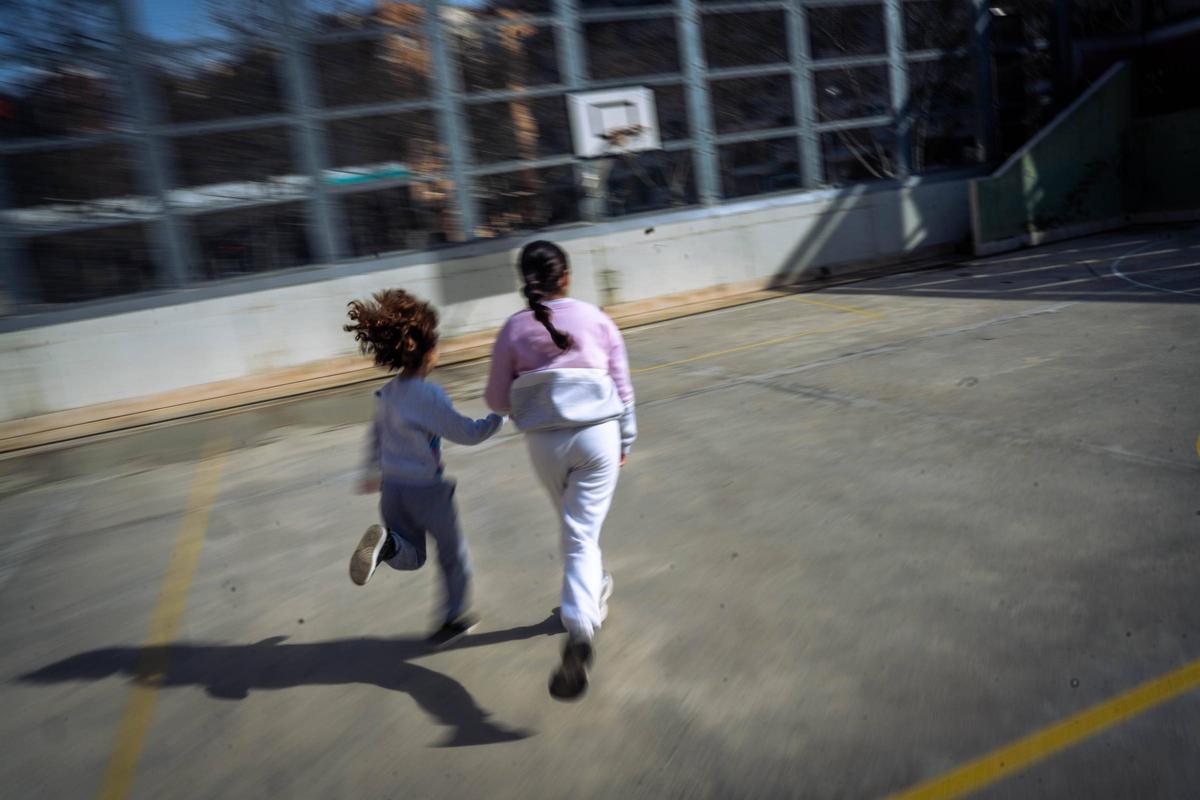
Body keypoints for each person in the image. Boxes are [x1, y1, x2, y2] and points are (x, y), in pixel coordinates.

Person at [485, 240, 636, 699]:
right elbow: (623, 387)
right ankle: (580, 628)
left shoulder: (513, 329)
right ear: (566, 276)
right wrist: (626, 438)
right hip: (598, 437)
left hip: (544, 444)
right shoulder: (596, 319)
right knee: (580, 533)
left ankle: (593, 596)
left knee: (576, 531)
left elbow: (496, 399)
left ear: (525, 280)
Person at [345, 289, 504, 648]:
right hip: (428, 492)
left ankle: (388, 544)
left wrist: (369, 472)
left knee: (412, 555)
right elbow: (467, 433)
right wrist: (500, 417)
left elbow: (375, 436)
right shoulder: (428, 396)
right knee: (453, 556)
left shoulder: (387, 394)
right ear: (427, 350)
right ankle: (453, 618)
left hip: (392, 490)